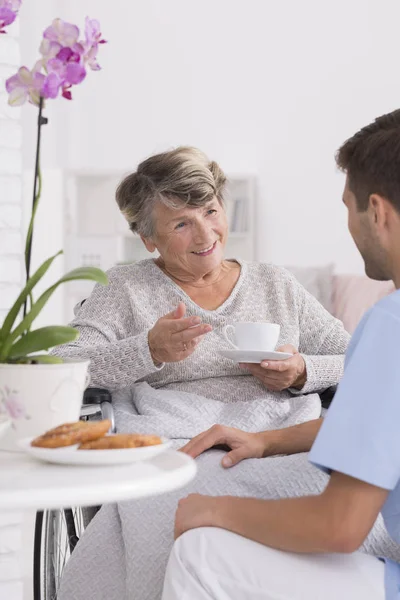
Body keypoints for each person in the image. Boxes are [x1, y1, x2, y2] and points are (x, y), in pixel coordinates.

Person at [55, 147, 392, 600]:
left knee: (329, 488)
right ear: (148, 238)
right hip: (181, 441)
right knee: (165, 509)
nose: (205, 232)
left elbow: (358, 360)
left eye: (210, 211)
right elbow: (61, 362)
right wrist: (147, 349)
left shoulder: (275, 283)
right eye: (181, 223)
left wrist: (300, 371)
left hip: (281, 436)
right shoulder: (126, 289)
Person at [162, 110, 400, 600]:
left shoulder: (389, 324)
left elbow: (339, 525)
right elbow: (382, 418)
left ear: (377, 212)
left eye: (347, 207)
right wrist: (270, 440)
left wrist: (212, 509)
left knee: (200, 552)